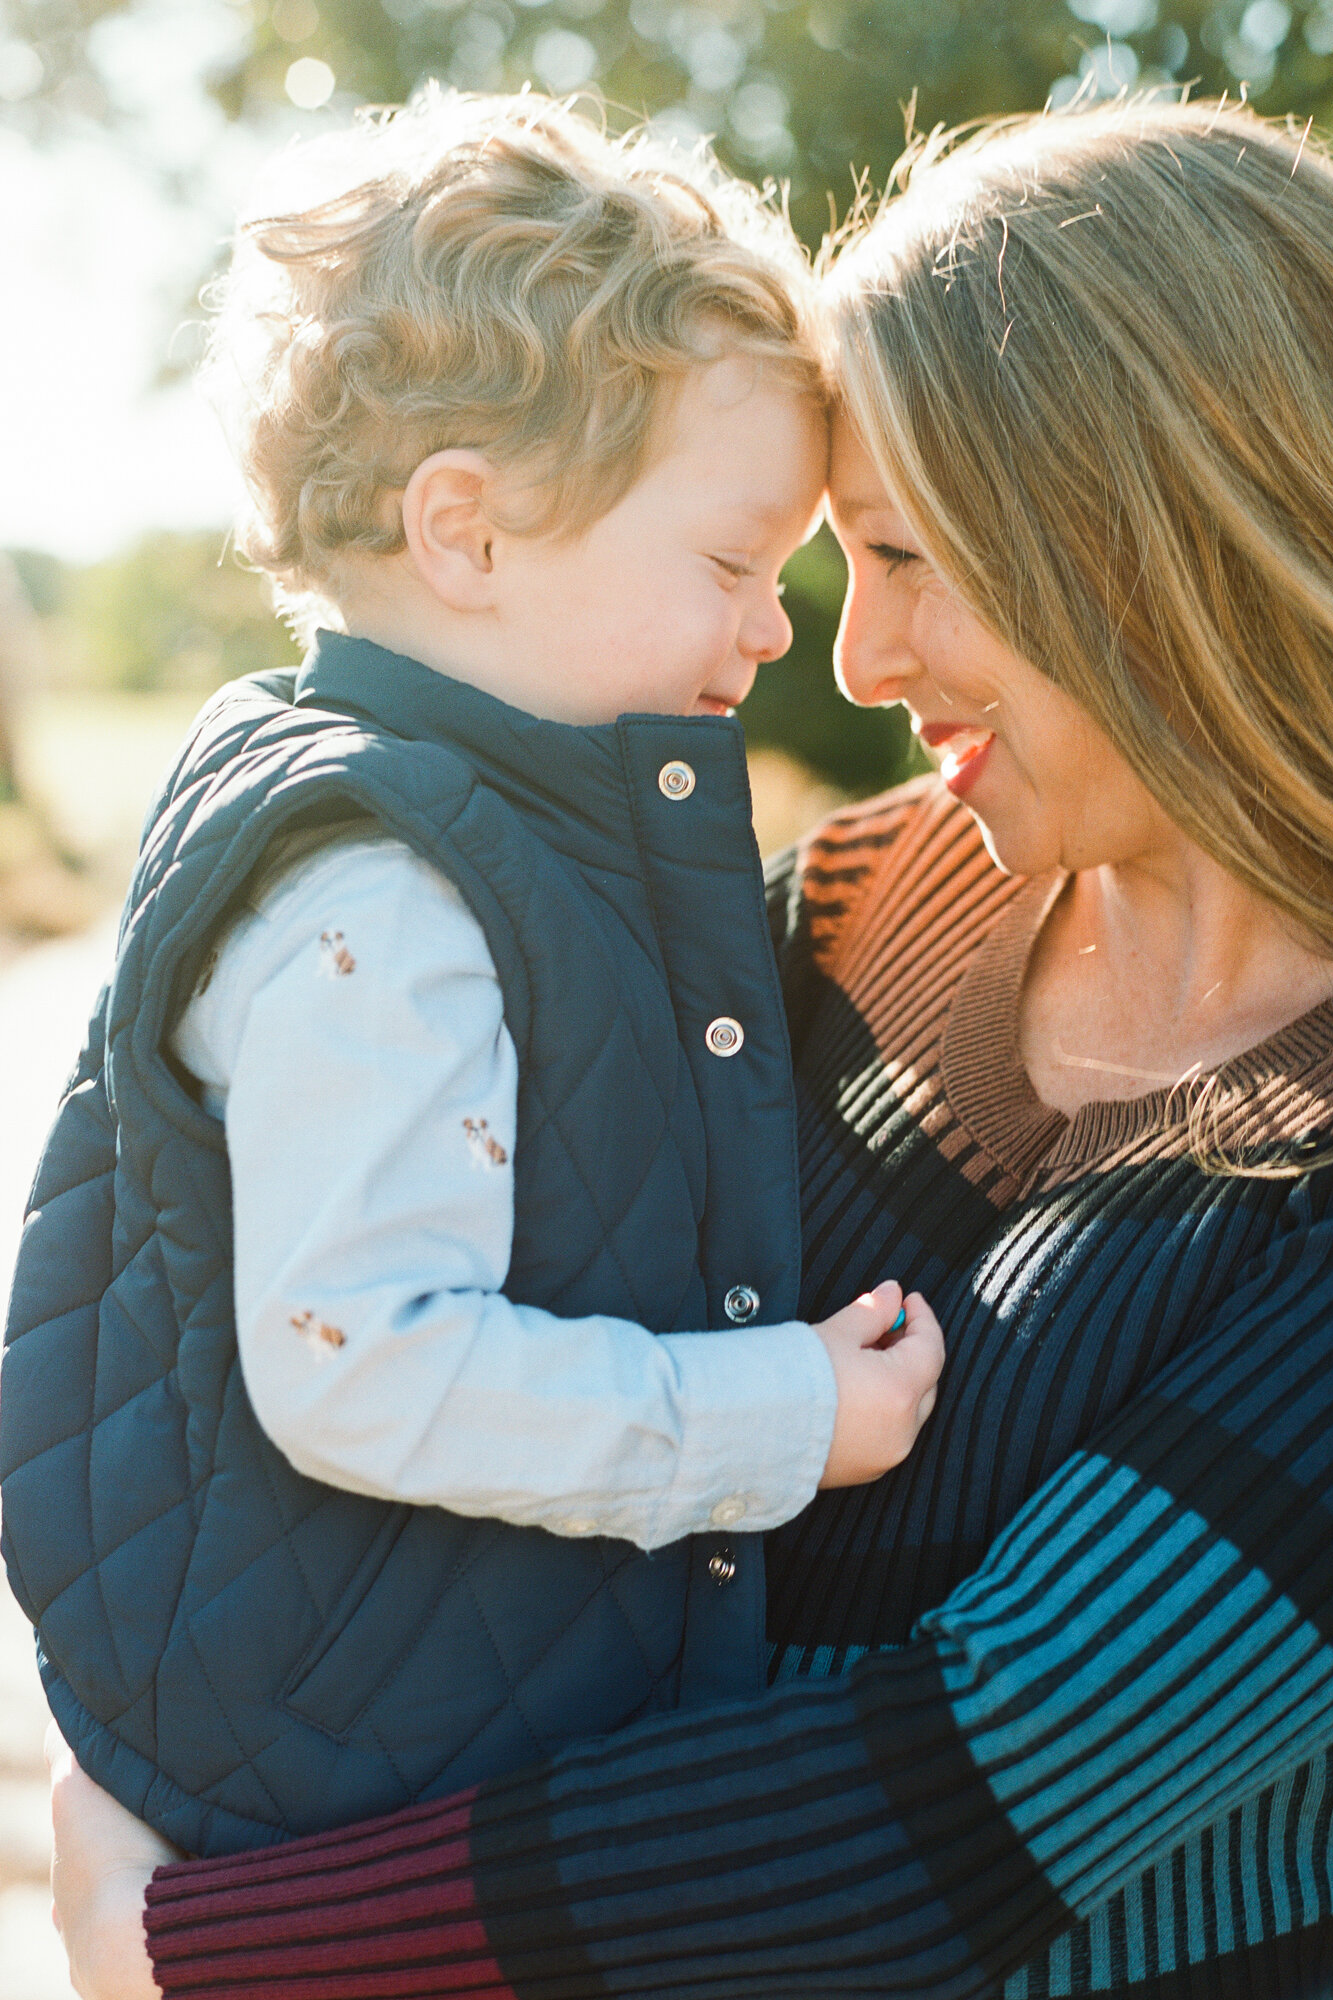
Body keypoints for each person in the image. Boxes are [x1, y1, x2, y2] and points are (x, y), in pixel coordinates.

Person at [45, 95, 1333, 2000]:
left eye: (906, 556)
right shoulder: (843, 910)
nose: (852, 662)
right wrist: (156, 1724)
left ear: (1183, 545)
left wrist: (199, 1947)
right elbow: (316, 1340)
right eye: (822, 562)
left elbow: (937, 1816)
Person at [0, 89, 945, 1864]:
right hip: (365, 1746)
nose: (773, 625)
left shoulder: (442, 821)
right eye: (735, 562)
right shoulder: (387, 897)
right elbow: (363, 1363)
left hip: (405, 1706)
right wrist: (781, 1415)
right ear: (468, 532)